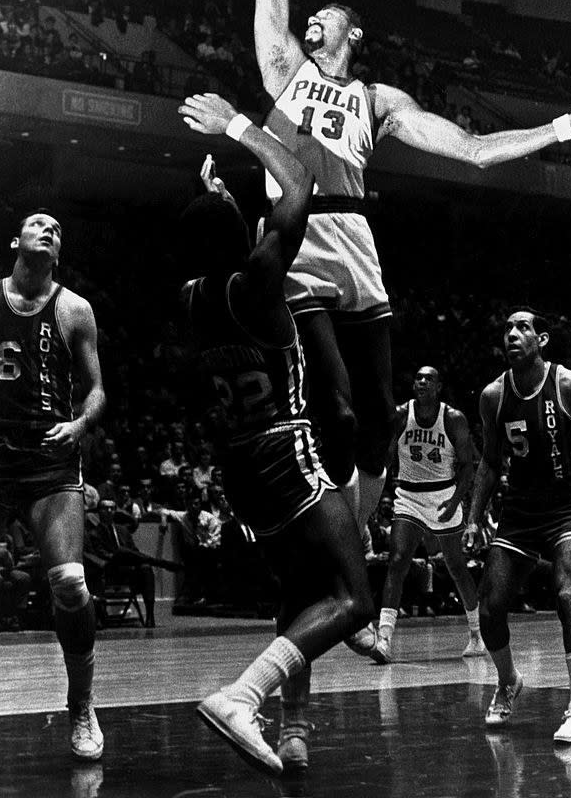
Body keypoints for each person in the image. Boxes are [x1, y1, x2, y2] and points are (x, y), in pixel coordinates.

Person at [204, 0, 571, 584]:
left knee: (376, 421)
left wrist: (563, 126)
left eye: (326, 16)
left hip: (360, 251)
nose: (311, 20)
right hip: (299, 246)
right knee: (334, 411)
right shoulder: (280, 69)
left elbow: (472, 151)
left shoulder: (379, 101)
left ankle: (357, 541)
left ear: (355, 32)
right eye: (309, 17)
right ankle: (326, 552)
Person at [177, 99, 373, 776]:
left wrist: (215, 203)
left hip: (239, 469)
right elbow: (298, 183)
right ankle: (243, 696)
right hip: (283, 452)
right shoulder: (261, 280)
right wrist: (237, 127)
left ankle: (293, 728)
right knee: (353, 599)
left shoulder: (192, 297)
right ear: (243, 236)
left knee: (300, 592)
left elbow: (217, 236)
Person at [463, 308, 571, 744]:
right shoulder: (492, 396)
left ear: (541, 340)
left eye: (523, 328)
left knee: (566, 595)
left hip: (567, 506)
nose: (512, 334)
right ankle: (508, 681)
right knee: (489, 606)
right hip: (519, 511)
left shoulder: (570, 385)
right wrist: (474, 516)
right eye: (507, 328)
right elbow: (488, 461)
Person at [0, 210, 106, 759]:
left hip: (48, 460)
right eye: (38, 223)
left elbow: (97, 389)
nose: (50, 229)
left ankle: (81, 706)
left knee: (70, 582)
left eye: (58, 228)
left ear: (58, 253)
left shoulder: (75, 309)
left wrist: (80, 424)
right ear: (17, 241)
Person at [370, 366, 484, 663]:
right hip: (408, 494)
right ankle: (384, 638)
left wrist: (456, 501)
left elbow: (468, 466)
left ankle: (477, 634)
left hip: (443, 495)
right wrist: (379, 493)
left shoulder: (453, 419)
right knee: (397, 560)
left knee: (456, 565)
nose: (420, 381)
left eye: (428, 378)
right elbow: (386, 455)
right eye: (417, 377)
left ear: (439, 386)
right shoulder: (399, 415)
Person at [84, 498, 157, 628]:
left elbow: (134, 550)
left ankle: (150, 616)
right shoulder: (93, 533)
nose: (109, 511)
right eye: (105, 508)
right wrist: (118, 556)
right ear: (99, 512)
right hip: (109, 571)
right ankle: (100, 616)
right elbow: (100, 555)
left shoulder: (123, 531)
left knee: (146, 568)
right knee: (97, 570)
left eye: (112, 508)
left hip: (128, 572)